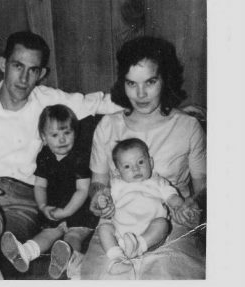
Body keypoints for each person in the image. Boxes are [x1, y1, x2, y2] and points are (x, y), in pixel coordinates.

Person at [0, 31, 122, 279]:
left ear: (41, 74)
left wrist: (164, 107)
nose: (24, 78)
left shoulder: (48, 100)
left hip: (23, 205)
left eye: (33, 70)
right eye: (17, 66)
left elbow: (98, 103)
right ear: (3, 64)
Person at [82, 36, 206, 279]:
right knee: (109, 277)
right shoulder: (108, 126)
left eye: (150, 81)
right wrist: (98, 196)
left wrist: (194, 204)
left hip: (169, 222)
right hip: (118, 224)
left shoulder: (188, 126)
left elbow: (204, 187)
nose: (140, 94)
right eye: (131, 83)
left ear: (165, 79)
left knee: (163, 273)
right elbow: (98, 182)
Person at [1, 104, 98, 279]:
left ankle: (67, 257)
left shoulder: (80, 158)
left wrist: (66, 212)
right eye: (55, 135)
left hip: (79, 210)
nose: (62, 140)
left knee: (73, 234)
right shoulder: (44, 157)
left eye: (67, 133)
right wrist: (43, 206)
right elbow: (40, 185)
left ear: (74, 133)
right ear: (44, 138)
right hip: (54, 207)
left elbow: (82, 190)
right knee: (47, 233)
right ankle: (25, 253)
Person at [97, 138, 200, 275]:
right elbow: (107, 200)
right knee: (104, 228)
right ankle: (117, 258)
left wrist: (181, 207)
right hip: (121, 235)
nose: (135, 169)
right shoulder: (117, 185)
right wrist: (104, 202)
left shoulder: (158, 182)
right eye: (127, 166)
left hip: (150, 237)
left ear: (150, 162)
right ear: (117, 172)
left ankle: (137, 247)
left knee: (163, 223)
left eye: (140, 162)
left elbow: (172, 197)